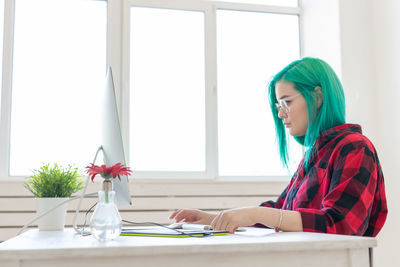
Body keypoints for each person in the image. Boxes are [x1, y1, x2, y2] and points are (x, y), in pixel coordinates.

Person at [169, 57, 388, 237]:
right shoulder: (315, 153)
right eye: (278, 105)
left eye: (286, 102)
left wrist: (256, 213)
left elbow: (340, 224)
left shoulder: (354, 148)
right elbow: (282, 212)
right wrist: (213, 218)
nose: (281, 114)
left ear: (318, 96)